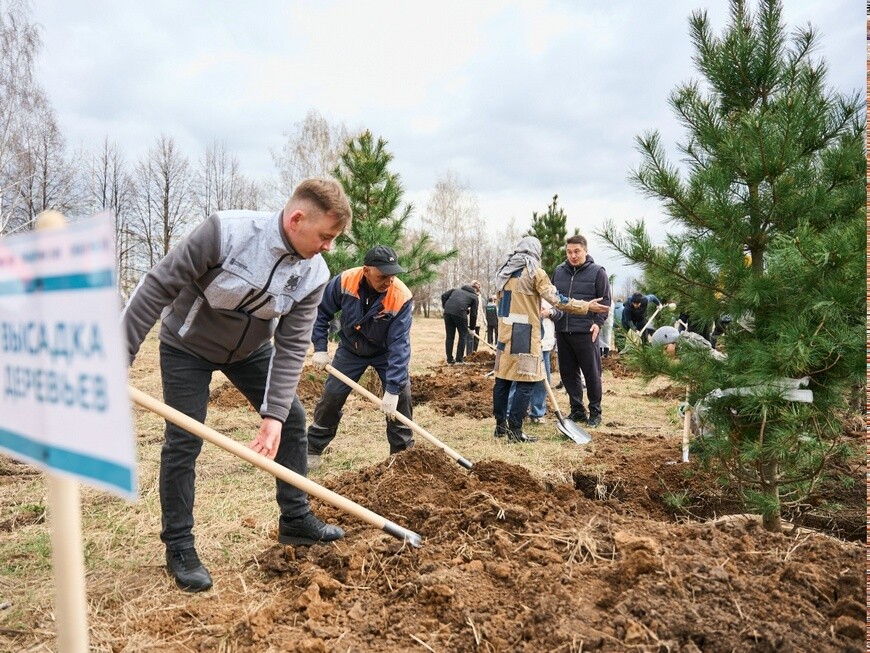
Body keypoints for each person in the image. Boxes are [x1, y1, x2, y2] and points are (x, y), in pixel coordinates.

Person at [121, 178, 352, 592]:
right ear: (297, 219)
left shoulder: (315, 272)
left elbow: (292, 343)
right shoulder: (226, 233)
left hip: (249, 352)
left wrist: (274, 414)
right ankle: (179, 545)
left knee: (294, 420)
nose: (328, 247)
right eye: (326, 236)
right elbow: (157, 286)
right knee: (185, 438)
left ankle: (296, 519)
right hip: (186, 346)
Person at [306, 245, 415, 467]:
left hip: (385, 352)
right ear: (366, 271)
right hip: (351, 350)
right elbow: (321, 311)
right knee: (332, 396)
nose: (388, 281)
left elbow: (399, 345)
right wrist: (319, 347)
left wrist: (392, 389)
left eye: (392, 276)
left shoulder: (400, 296)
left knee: (401, 398)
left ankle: (401, 457)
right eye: (382, 276)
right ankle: (312, 449)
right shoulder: (345, 281)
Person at [492, 236, 608, 442]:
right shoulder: (534, 271)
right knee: (526, 382)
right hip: (525, 335)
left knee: (503, 380)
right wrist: (586, 306)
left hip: (504, 334)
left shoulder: (504, 271)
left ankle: (500, 426)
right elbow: (558, 300)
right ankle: (515, 431)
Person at [551, 235, 611, 428]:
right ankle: (577, 410)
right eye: (569, 252)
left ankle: (595, 411)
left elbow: (605, 303)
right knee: (568, 374)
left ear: (585, 250)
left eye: (577, 251)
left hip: (586, 331)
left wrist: (598, 323)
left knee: (591, 373)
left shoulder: (597, 272)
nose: (573, 256)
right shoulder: (559, 272)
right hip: (563, 331)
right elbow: (553, 299)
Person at [508, 299, 557, 423]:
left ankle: (537, 413)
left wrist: (549, 312)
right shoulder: (523, 290)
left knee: (543, 381)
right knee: (519, 377)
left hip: (544, 343)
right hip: (525, 341)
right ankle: (511, 412)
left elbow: (560, 311)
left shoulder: (549, 293)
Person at [441, 282, 479, 364]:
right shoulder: (474, 296)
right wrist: (472, 328)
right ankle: (459, 359)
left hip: (447, 313)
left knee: (450, 337)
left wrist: (446, 307)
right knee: (463, 336)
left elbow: (443, 296)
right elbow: (474, 314)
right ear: (476, 291)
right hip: (460, 314)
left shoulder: (455, 290)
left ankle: (449, 359)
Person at [466, 280, 485, 355]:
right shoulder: (469, 294)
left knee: (477, 338)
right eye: (478, 285)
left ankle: (474, 352)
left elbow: (480, 309)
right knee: (470, 337)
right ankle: (469, 354)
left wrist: (484, 319)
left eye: (480, 285)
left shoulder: (479, 296)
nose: (479, 286)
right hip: (470, 319)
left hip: (478, 320)